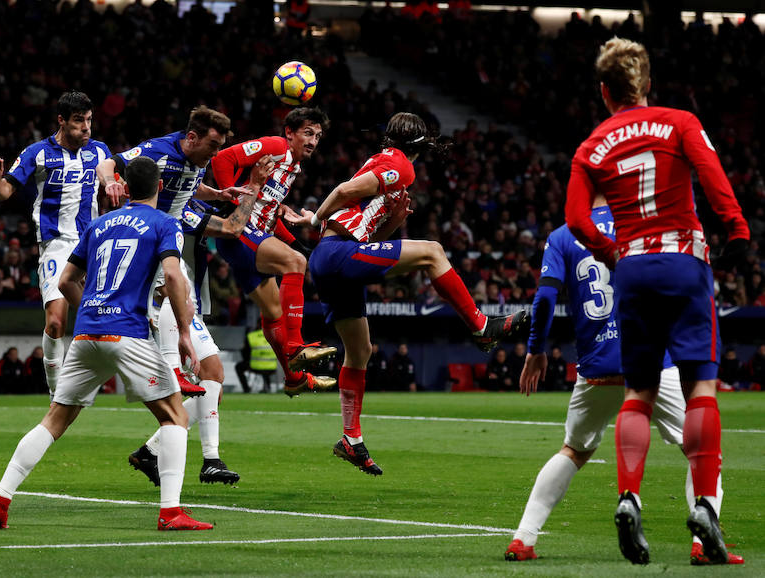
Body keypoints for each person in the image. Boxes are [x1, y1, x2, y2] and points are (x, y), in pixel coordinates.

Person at [565, 38, 749, 565]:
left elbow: (577, 219)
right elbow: (713, 178)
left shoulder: (590, 146)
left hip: (634, 268)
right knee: (700, 387)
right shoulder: (680, 122)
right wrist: (736, 231)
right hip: (684, 261)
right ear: (645, 82)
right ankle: (705, 513)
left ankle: (628, 496)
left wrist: (611, 251)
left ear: (604, 91)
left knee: (639, 392)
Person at [286, 112, 528, 475]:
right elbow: (343, 192)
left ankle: (351, 440)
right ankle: (480, 326)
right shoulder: (401, 165)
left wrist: (394, 220)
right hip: (336, 254)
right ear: (420, 145)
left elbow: (368, 234)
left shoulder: (384, 164)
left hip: (332, 259)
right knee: (433, 251)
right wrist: (316, 219)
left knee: (360, 351)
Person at [0, 155, 211, 532]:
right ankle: (171, 513)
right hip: (128, 333)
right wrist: (184, 333)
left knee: (54, 421)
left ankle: (0, 500)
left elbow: (67, 280)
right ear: (161, 188)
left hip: (87, 332)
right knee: (175, 416)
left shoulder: (99, 224)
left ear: (125, 185)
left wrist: (92, 307)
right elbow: (173, 275)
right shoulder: (166, 223)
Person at [506, 198, 741, 565]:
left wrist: (535, 349)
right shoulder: (644, 224)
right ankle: (703, 546)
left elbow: (546, 298)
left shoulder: (563, 235)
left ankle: (523, 539)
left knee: (574, 449)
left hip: (596, 365)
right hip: (651, 360)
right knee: (702, 452)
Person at [99, 107, 273, 486]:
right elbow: (110, 163)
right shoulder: (159, 153)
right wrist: (112, 181)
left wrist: (220, 192)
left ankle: (191, 457)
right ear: (191, 138)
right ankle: (173, 480)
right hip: (153, 274)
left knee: (212, 372)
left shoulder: (187, 194)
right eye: (211, 146)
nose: (214, 155)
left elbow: (223, 219)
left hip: (177, 271)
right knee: (181, 385)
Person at [0, 91, 111, 400]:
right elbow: (3, 193)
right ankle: (57, 391)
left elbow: (111, 179)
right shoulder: (37, 153)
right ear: (62, 120)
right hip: (55, 245)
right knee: (55, 322)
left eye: (89, 121)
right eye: (79, 121)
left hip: (91, 245)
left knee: (103, 317)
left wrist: (114, 185)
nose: (86, 128)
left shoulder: (99, 151)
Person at [211, 107, 338, 396]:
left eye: (317, 136)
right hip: (239, 232)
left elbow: (267, 212)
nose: (313, 141)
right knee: (295, 262)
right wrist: (231, 199)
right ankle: (296, 345)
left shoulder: (292, 166)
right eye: (307, 133)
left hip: (252, 235)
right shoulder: (276, 147)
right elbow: (222, 158)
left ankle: (293, 378)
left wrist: (295, 241)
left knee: (273, 311)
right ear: (290, 133)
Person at [235, 325, 279, 393]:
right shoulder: (274, 336)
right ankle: (267, 387)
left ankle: (246, 389)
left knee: (238, 367)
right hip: (272, 367)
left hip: (255, 366)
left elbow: (245, 353)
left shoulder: (252, 336)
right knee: (265, 368)